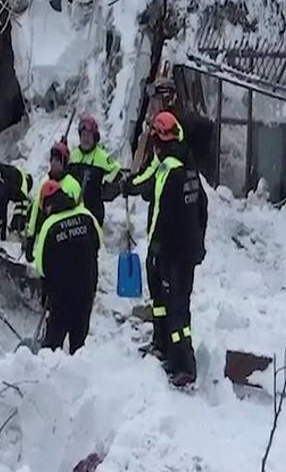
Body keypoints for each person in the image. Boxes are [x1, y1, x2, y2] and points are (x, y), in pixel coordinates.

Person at [126, 111, 208, 386]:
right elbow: (202, 208)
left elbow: (159, 205)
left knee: (176, 309)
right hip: (184, 252)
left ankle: (183, 364)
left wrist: (156, 247)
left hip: (171, 253)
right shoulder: (189, 167)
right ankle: (162, 345)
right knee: (162, 303)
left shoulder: (168, 170)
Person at [32, 179, 103, 354]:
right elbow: (99, 243)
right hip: (86, 288)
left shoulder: (50, 225)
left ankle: (49, 376)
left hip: (61, 295)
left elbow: (40, 266)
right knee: (78, 344)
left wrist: (46, 290)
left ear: (47, 205)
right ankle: (78, 373)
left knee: (52, 346)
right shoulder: (86, 216)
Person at [23, 140, 83, 260]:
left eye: (58, 160)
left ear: (64, 163)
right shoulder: (45, 181)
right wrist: (30, 238)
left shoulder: (72, 185)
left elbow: (75, 213)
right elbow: (36, 209)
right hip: (46, 237)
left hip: (65, 240)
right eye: (52, 160)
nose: (54, 163)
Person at [67, 114, 124, 226]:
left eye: (89, 136)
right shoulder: (73, 156)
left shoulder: (102, 157)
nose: (85, 139)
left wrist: (105, 181)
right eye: (83, 135)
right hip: (75, 210)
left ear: (95, 137)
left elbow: (117, 170)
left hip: (94, 210)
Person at [0, 163, 34, 241]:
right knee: (3, 208)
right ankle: (2, 236)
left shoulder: (16, 172)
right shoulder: (23, 187)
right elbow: (20, 211)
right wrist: (18, 229)